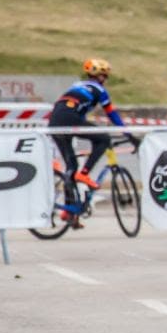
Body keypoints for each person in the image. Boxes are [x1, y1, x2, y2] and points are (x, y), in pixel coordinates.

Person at [49, 58, 134, 223]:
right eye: (105, 76)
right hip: (69, 118)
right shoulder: (100, 90)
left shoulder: (76, 85)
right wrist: (128, 134)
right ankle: (85, 173)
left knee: (71, 167)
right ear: (100, 77)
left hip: (55, 121)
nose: (106, 79)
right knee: (103, 139)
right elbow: (112, 114)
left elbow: (76, 111)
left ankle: (69, 211)